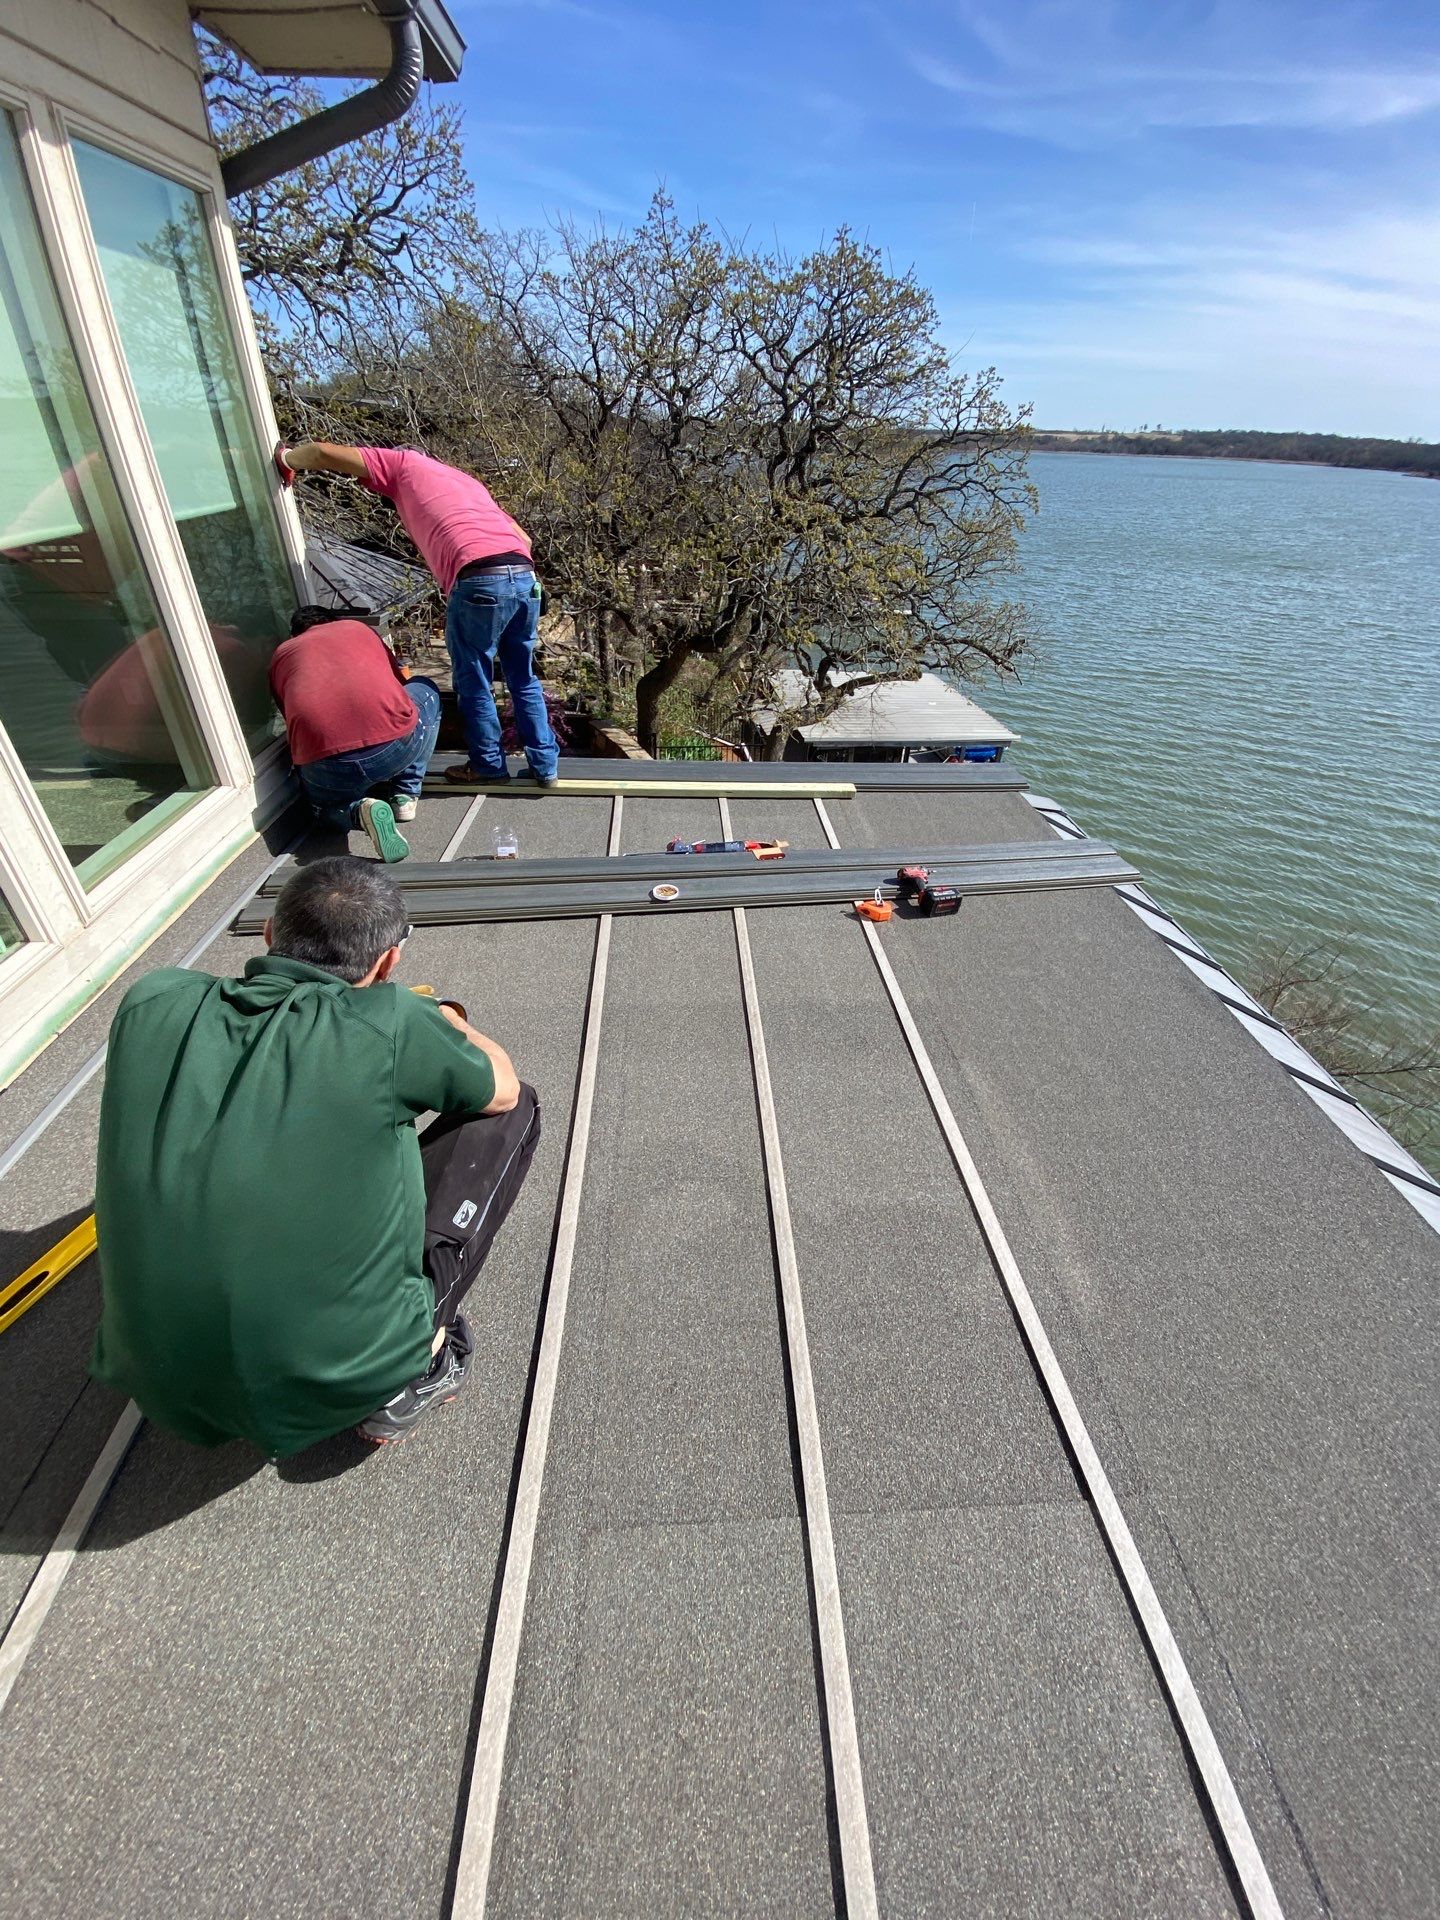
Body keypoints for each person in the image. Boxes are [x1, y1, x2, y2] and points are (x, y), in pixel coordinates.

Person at [90, 858, 541, 1456]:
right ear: (387, 962)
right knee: (514, 1113)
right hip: (339, 1376)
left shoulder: (152, 1000)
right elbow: (502, 1087)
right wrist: (445, 1018)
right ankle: (420, 1363)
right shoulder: (395, 1022)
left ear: (269, 935)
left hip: (150, 1372)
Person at [277, 441, 559, 789]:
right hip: (526, 578)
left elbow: (321, 453)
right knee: (523, 678)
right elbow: (524, 539)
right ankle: (546, 767)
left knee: (474, 679)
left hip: (478, 578)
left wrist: (286, 459)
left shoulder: (402, 463)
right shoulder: (466, 482)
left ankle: (488, 765)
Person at [269, 606, 442, 864]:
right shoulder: (358, 629)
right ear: (332, 621)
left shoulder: (282, 655)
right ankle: (404, 794)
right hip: (393, 748)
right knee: (426, 689)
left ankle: (358, 813)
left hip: (327, 765)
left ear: (294, 634)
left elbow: (291, 718)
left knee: (323, 811)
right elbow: (399, 683)